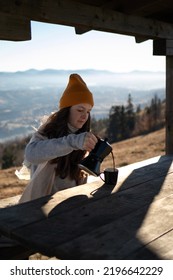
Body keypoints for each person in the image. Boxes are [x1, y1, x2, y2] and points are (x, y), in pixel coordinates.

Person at [18, 73, 98, 203]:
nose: (84, 116)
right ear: (67, 110)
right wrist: (72, 142)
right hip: (41, 205)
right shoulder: (48, 131)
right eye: (80, 110)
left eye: (88, 111)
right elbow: (31, 154)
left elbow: (79, 176)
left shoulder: (82, 136)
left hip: (71, 204)